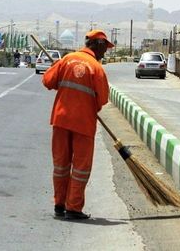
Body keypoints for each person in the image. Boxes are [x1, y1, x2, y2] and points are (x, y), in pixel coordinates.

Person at [42, 29, 114, 220]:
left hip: (61, 120)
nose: (105, 52)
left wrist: (60, 75)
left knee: (61, 165)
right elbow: (103, 99)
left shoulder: (67, 59)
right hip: (83, 123)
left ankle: (59, 204)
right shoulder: (96, 68)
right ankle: (73, 207)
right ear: (97, 45)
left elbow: (48, 81)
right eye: (104, 48)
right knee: (81, 168)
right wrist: (90, 104)